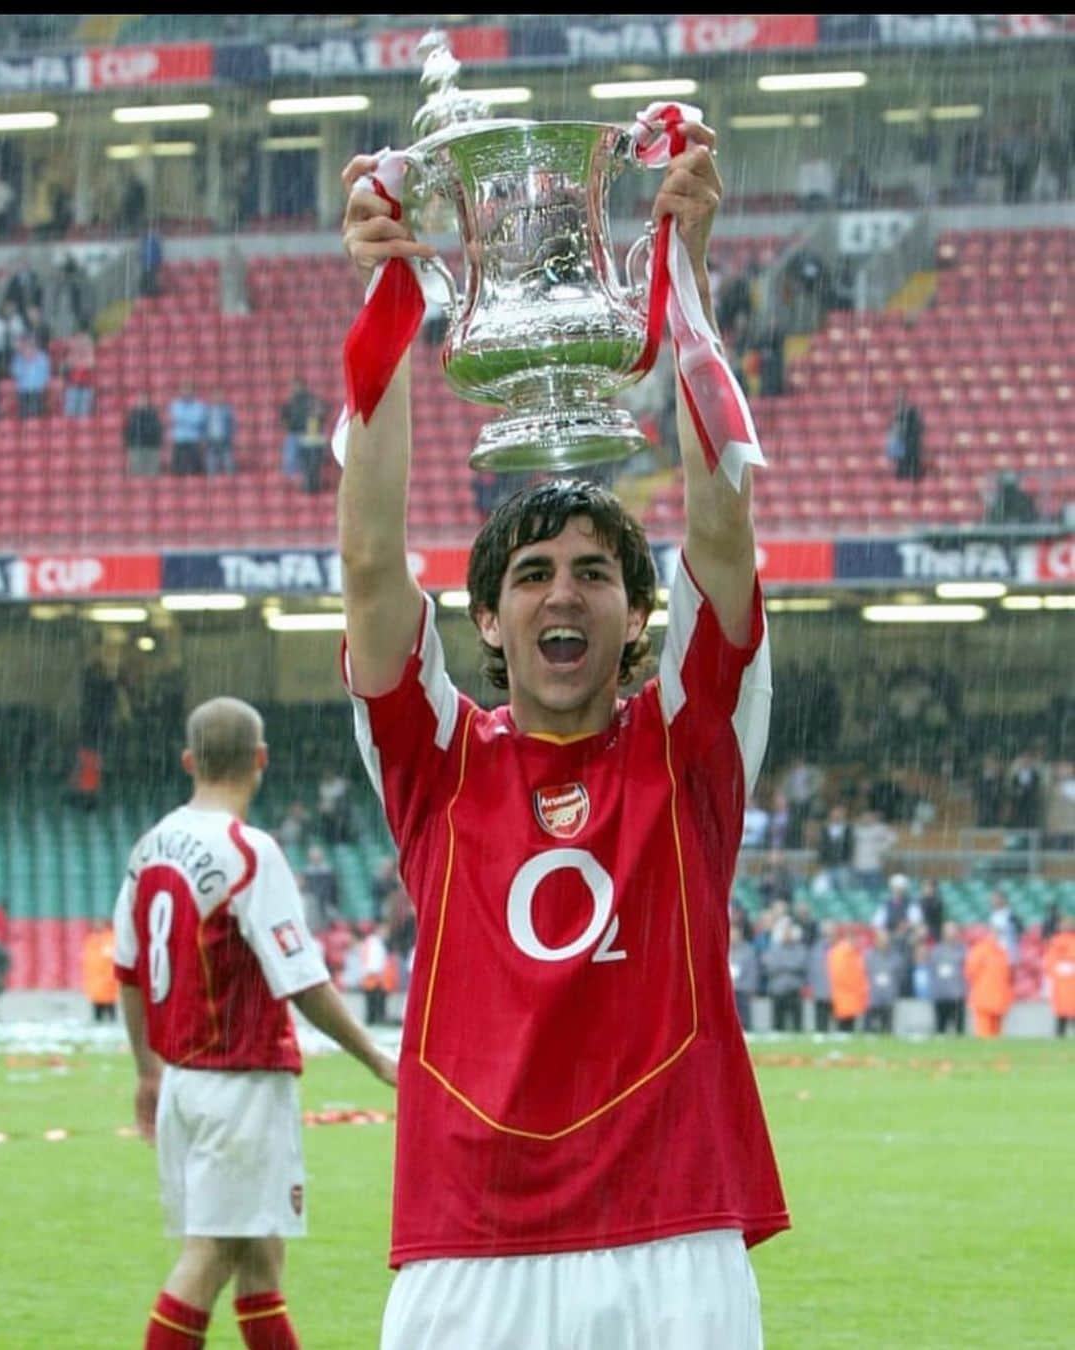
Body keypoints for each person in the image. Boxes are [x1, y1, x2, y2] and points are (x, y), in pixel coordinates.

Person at [337, 122, 788, 1348]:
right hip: (465, 1245)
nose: (563, 595)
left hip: (672, 1233)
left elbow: (723, 541)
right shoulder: (437, 763)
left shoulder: (686, 748)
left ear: (639, 611)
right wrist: (391, 300)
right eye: (531, 575)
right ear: (486, 615)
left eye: (595, 572)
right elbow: (375, 567)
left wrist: (686, 271)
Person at [113, 696, 397, 1350]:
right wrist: (377, 1057)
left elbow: (128, 971)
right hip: (238, 1081)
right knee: (210, 1255)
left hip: (185, 1079)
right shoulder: (250, 852)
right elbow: (301, 979)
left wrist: (146, 1072)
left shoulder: (150, 845)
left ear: (189, 761)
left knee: (261, 1263)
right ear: (261, 761)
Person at [964, 928, 1012, 1038]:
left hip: (996, 996)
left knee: (994, 1030)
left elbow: (1006, 976)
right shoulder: (982, 951)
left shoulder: (1001, 952)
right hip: (985, 996)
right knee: (984, 1030)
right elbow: (970, 972)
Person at [928, 921, 967, 1035]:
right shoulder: (936, 951)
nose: (951, 934)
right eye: (948, 931)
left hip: (957, 995)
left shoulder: (963, 950)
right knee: (940, 1029)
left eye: (953, 931)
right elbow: (932, 972)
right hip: (941, 995)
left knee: (959, 1031)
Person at [828, 926, 869, 1033]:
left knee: (850, 1021)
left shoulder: (853, 952)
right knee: (845, 1022)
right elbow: (841, 974)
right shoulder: (842, 952)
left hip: (851, 994)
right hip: (845, 993)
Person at [1043, 915, 1075, 1037]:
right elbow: (1050, 961)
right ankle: (1059, 1035)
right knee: (1061, 1012)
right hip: (1060, 982)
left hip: (1071, 982)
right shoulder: (1055, 941)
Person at [82, 917, 118, 1023]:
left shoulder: (110, 939)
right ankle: (98, 1022)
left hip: (107, 978)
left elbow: (111, 958)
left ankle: (111, 1022)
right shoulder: (91, 939)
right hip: (94, 978)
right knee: (97, 1002)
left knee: (109, 1002)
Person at [168, 383, 208, 476]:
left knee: (196, 468)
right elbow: (176, 417)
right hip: (179, 439)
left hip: (194, 439)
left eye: (189, 391)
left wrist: (184, 419)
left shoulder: (200, 405)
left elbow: (198, 420)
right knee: (177, 469)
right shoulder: (175, 404)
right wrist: (190, 420)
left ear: (193, 392)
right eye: (184, 390)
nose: (186, 393)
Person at [885, 391, 925, 482]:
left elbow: (918, 429)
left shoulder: (910, 413)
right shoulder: (897, 419)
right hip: (905, 451)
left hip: (910, 450)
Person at [124, 391, 165, 477]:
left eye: (144, 400)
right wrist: (130, 444)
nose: (142, 402)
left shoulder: (153, 414)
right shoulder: (133, 415)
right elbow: (128, 431)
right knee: (137, 476)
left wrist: (156, 444)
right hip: (136, 448)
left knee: (152, 475)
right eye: (140, 400)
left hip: (152, 449)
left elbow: (158, 430)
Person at [10, 332, 50, 416]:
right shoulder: (18, 357)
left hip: (37, 390)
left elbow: (45, 374)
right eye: (28, 343)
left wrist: (42, 386)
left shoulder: (42, 357)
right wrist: (25, 361)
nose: (30, 346)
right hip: (23, 390)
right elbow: (15, 373)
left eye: (32, 343)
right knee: (24, 413)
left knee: (35, 414)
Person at [61, 325, 96, 417]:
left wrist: (78, 360)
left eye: (84, 340)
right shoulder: (71, 354)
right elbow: (66, 365)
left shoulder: (89, 354)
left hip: (86, 386)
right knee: (69, 413)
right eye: (79, 339)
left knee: (83, 414)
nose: (81, 342)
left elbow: (91, 364)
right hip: (73, 385)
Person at [204, 390, 237, 475]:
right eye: (216, 396)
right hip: (211, 440)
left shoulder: (227, 410)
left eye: (219, 397)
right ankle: (211, 480)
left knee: (228, 460)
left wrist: (230, 435)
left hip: (225, 439)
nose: (218, 398)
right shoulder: (208, 411)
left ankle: (231, 479)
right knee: (211, 461)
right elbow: (204, 425)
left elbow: (232, 424)